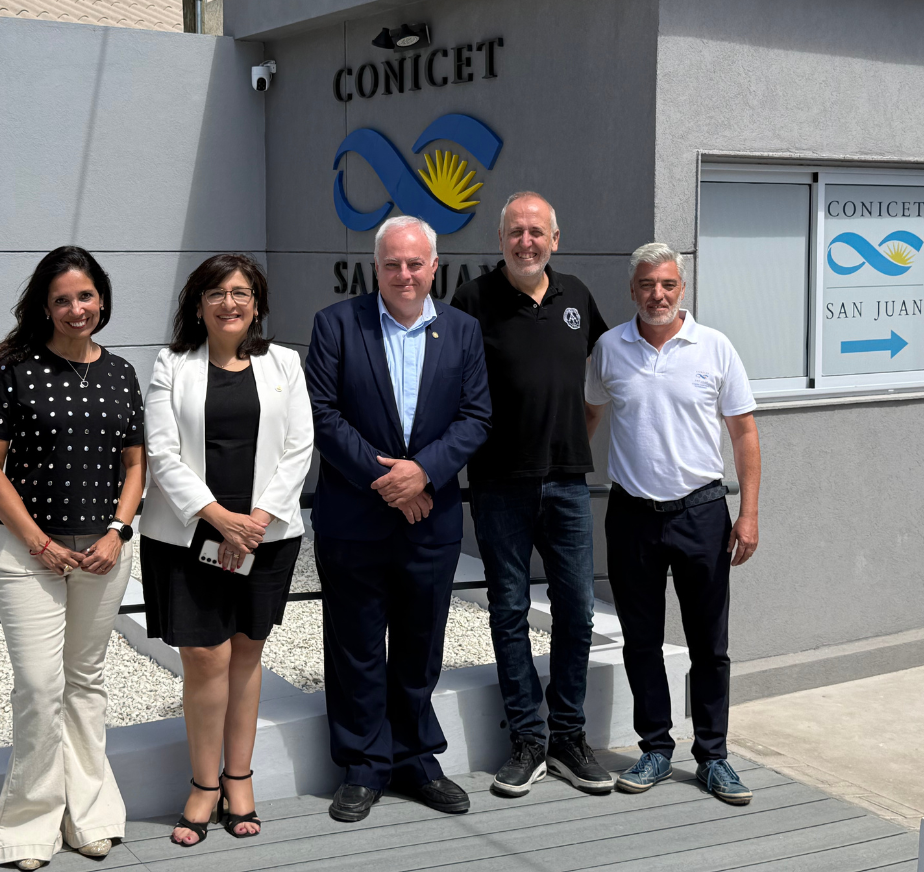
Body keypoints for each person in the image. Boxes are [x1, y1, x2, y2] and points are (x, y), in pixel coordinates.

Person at [305, 215, 492, 823]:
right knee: (354, 645)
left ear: (434, 266)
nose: (404, 275)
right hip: (354, 520)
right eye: (393, 264)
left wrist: (424, 474)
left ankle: (414, 758)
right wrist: (389, 482)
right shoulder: (336, 324)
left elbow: (476, 417)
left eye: (415, 264)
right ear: (376, 268)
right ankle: (363, 766)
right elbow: (322, 414)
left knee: (420, 645)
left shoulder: (463, 331)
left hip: (429, 521)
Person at [0, 246, 145, 871]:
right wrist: (41, 543)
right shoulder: (17, 371)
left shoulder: (121, 373)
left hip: (104, 554)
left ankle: (90, 816)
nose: (77, 308)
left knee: (86, 684)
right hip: (28, 556)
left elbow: (134, 464)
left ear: (102, 299)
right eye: (63, 299)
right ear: (45, 306)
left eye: (86, 296)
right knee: (40, 688)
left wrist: (118, 531)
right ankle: (25, 828)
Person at [139, 253, 313, 847]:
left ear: (257, 303)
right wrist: (218, 519)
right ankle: (204, 784)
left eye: (240, 292)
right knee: (205, 658)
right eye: (215, 292)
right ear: (198, 304)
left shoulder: (285, 363)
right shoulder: (170, 364)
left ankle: (239, 778)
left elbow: (299, 446)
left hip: (265, 536)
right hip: (191, 533)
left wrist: (256, 520)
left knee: (246, 652)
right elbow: (161, 453)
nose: (229, 302)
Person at [585, 242, 761, 806]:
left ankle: (713, 756)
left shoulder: (715, 348)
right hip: (632, 514)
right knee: (640, 640)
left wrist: (749, 513)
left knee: (710, 643)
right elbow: (587, 415)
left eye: (666, 284)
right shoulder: (610, 348)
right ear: (632, 290)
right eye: (645, 286)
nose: (656, 295)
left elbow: (744, 433)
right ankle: (656, 747)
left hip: (702, 512)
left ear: (681, 289)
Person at [450, 191, 613, 798]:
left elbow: (600, 380)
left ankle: (569, 736)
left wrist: (572, 438)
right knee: (509, 612)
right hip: (498, 486)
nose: (526, 241)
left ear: (555, 238)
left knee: (577, 611)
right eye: (516, 231)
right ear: (501, 241)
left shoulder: (577, 296)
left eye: (536, 231)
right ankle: (528, 738)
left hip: (569, 482)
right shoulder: (471, 301)